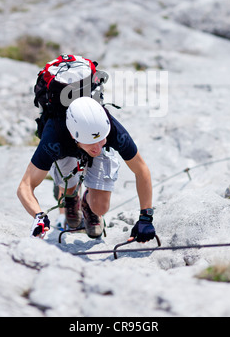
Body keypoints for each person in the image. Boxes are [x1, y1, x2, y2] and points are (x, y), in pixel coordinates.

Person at [17, 97, 156, 242]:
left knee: (100, 207)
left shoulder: (112, 131)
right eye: (91, 143)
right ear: (73, 135)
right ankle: (71, 196)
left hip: (84, 143)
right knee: (68, 188)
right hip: (65, 149)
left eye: (100, 139)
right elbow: (25, 186)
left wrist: (146, 217)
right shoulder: (54, 139)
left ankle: (86, 202)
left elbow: (141, 170)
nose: (96, 147)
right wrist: (39, 216)